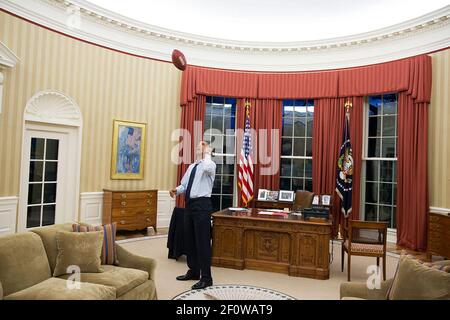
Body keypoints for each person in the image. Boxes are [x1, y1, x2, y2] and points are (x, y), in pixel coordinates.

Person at [169, 141, 216, 290]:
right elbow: (184, 185)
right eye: (197, 145)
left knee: (202, 242)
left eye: (202, 145)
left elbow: (207, 166)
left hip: (202, 206)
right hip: (189, 205)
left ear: (207, 149)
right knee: (190, 240)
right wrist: (176, 190)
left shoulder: (210, 165)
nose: (198, 146)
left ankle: (206, 278)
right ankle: (194, 271)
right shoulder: (191, 167)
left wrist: (208, 152)